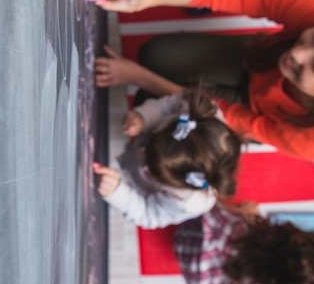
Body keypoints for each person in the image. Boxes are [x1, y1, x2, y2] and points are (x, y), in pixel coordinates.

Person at [91, 0, 314, 161]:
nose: (296, 52)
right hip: (257, 58)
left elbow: (228, 114)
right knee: (154, 54)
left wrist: (141, 78)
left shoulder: (308, 141)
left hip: (250, 113)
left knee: (152, 107)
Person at [94, 88, 242, 228]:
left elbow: (149, 214)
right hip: (139, 141)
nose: (146, 163)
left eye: (153, 171)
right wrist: (145, 117)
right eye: (154, 138)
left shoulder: (190, 202)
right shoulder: (200, 110)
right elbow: (172, 103)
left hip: (136, 185)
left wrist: (118, 192)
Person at [172, 201, 314, 284]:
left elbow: (212, 210)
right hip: (197, 278)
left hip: (190, 230)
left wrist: (243, 212)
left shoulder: (239, 227)